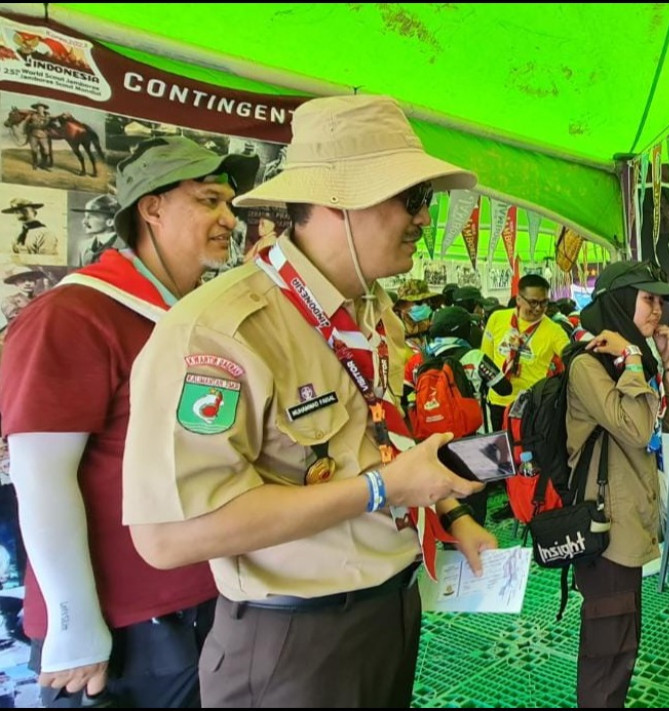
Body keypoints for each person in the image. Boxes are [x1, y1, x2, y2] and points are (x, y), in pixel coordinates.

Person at [120, 94, 496, 708]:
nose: (425, 219)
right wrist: (383, 491)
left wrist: (452, 512)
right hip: (294, 645)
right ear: (337, 202)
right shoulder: (219, 332)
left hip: (391, 611)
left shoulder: (376, 316)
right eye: (412, 199)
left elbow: (375, 443)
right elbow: (167, 537)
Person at [0, 135, 261, 707]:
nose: (227, 218)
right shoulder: (74, 315)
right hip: (128, 628)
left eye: (229, 204)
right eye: (209, 200)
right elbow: (41, 477)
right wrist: (74, 621)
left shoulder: (189, 318)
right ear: (152, 207)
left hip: (206, 602)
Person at [565, 261, 669, 707]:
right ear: (621, 304)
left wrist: (664, 361)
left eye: (660, 301)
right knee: (608, 647)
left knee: (623, 639)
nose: (657, 310)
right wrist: (638, 359)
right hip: (604, 527)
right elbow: (639, 430)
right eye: (648, 299)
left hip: (629, 521)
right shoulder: (589, 366)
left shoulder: (629, 360)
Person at [482, 273, 570, 429]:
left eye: (544, 303)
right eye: (533, 302)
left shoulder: (555, 331)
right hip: (498, 401)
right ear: (519, 299)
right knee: (502, 451)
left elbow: (571, 358)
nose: (538, 308)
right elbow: (486, 356)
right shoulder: (497, 318)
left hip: (530, 405)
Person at [70, 194, 122, 267]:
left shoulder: (124, 248)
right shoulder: (84, 247)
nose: (84, 222)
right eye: (85, 216)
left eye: (90, 217)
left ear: (110, 222)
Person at [22, 103, 53, 171]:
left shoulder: (47, 116)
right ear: (36, 109)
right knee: (34, 150)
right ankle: (35, 163)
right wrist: (25, 130)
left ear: (44, 109)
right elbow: (26, 122)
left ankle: (43, 165)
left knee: (46, 150)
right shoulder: (32, 115)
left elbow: (53, 120)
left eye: (41, 108)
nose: (40, 109)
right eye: (38, 108)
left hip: (43, 135)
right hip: (33, 135)